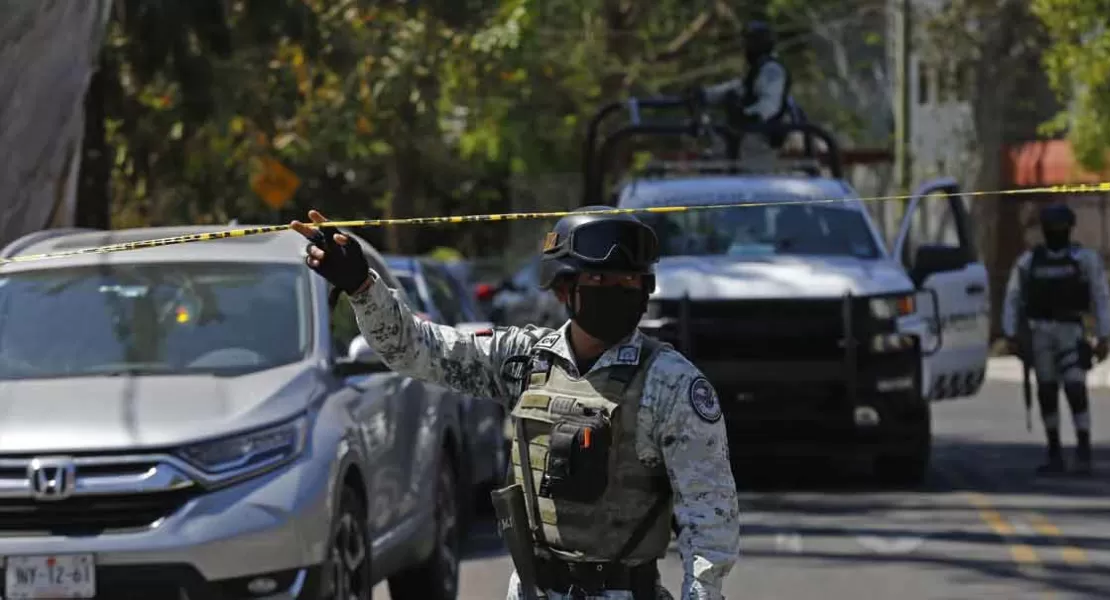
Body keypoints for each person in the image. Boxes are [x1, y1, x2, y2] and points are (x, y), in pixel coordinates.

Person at [290, 208, 738, 599]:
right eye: (598, 279)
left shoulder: (672, 384)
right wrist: (362, 286)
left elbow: (708, 518)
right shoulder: (522, 361)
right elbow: (416, 349)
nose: (616, 289)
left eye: (629, 280)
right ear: (565, 289)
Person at [1002, 202, 1110, 475]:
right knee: (1047, 391)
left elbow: (1101, 296)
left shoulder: (1084, 259)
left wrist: (1104, 335)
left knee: (1076, 388)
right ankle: (1054, 451)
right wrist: (1011, 334)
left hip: (1071, 330)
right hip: (1040, 331)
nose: (1057, 232)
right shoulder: (1029, 262)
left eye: (1061, 228)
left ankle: (1083, 449)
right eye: (1052, 228)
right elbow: (1013, 298)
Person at [691, 20, 793, 162]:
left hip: (761, 138)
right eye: (748, 41)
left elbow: (770, 103)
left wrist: (746, 115)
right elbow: (738, 87)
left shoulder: (772, 70)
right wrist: (706, 94)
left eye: (753, 41)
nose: (748, 46)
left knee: (752, 179)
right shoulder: (756, 69)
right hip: (746, 135)